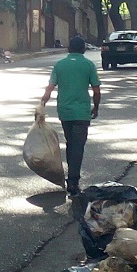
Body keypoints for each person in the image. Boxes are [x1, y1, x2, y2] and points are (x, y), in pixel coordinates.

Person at [40, 35, 101, 196]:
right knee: (78, 146)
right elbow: (96, 90)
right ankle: (73, 180)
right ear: (84, 49)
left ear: (68, 49)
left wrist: (42, 104)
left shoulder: (60, 65)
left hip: (65, 111)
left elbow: (50, 87)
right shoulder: (88, 65)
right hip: (82, 112)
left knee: (70, 143)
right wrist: (96, 107)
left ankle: (71, 177)